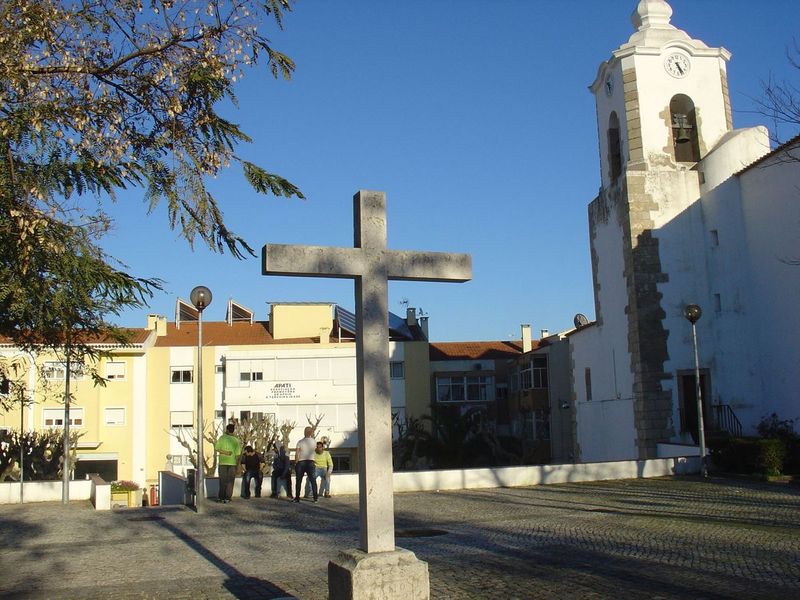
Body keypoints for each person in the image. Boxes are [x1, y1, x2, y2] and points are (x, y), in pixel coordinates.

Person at [215, 422, 241, 503]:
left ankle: (221, 497)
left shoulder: (221, 438)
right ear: (233, 431)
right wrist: (237, 465)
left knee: (222, 481)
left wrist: (224, 453)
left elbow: (217, 448)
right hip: (232, 463)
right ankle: (227, 498)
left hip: (222, 462)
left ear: (226, 430)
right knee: (230, 481)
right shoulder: (236, 440)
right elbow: (237, 454)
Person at [293, 426, 317, 502]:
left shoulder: (300, 442)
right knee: (313, 480)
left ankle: (297, 498)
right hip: (311, 462)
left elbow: (297, 453)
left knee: (299, 480)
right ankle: (315, 498)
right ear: (311, 433)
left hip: (301, 462)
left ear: (304, 432)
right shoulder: (314, 441)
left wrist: (296, 462)